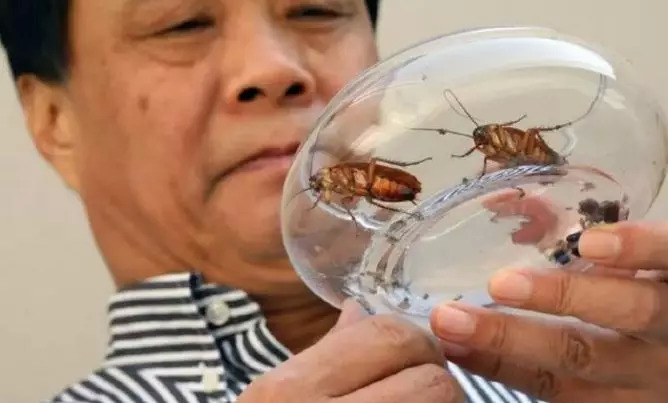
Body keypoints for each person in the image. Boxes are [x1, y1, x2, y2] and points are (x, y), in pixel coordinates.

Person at [1, 1, 667, 402]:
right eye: (183, 22)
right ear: (54, 120)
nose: (273, 68)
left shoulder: (613, 359)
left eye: (315, 11)